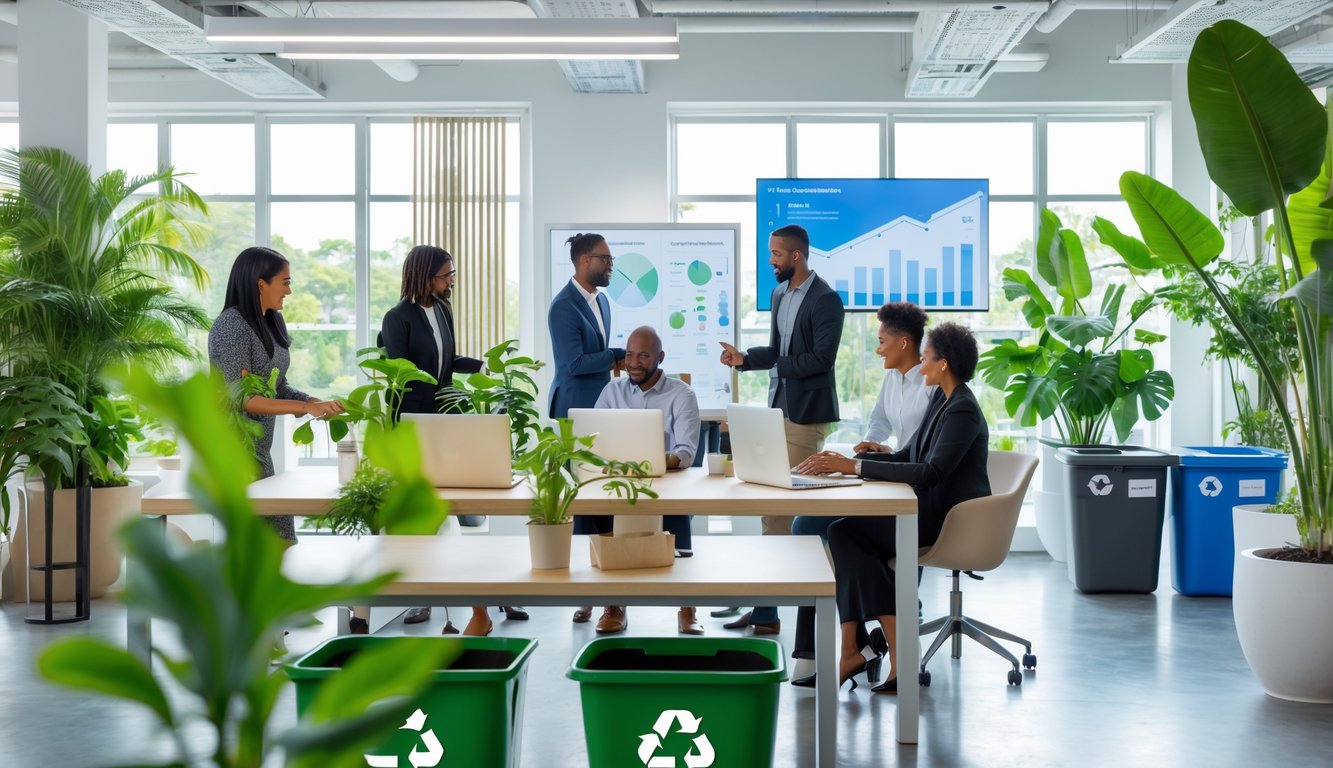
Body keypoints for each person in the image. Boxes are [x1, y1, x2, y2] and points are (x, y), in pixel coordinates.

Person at [796, 322, 990, 694]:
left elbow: (931, 472)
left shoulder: (962, 409)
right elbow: (910, 455)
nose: (921, 363)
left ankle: (870, 651)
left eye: (928, 357)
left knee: (845, 533)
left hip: (946, 520)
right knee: (844, 532)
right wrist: (860, 462)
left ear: (944, 364)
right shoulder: (943, 400)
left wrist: (853, 468)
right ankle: (861, 650)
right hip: (928, 508)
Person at [381, 245, 527, 634]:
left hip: (446, 420)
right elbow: (403, 375)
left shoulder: (442, 310)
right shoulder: (397, 318)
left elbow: (446, 364)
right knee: (425, 516)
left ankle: (482, 593)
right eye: (446, 275)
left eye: (452, 274)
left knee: (459, 506)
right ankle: (422, 598)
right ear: (424, 276)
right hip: (414, 427)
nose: (451, 281)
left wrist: (481, 366)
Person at [788, 301, 934, 685]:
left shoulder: (933, 383)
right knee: (805, 526)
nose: (877, 348)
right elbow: (880, 422)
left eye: (882, 340)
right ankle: (811, 651)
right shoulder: (894, 378)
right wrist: (871, 444)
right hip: (891, 472)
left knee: (845, 532)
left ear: (904, 343)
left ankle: (887, 620)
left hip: (914, 487)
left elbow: (926, 453)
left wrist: (882, 459)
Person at [718, 223, 845, 635]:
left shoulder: (826, 300)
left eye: (775, 254)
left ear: (796, 256)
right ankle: (766, 611)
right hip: (779, 410)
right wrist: (744, 359)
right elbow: (777, 351)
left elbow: (820, 360)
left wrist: (775, 366)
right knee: (771, 511)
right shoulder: (778, 294)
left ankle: (774, 611)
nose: (770, 260)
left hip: (807, 416)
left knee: (778, 513)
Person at [209, 246, 345, 545]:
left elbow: (277, 385)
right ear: (261, 283)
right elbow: (240, 397)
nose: (290, 290)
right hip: (235, 451)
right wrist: (305, 408)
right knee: (260, 546)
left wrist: (315, 403)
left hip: (259, 451)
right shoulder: (231, 325)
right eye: (285, 282)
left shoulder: (271, 322)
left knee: (281, 538)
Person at [592, 326, 703, 635]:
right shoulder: (611, 391)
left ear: (660, 357)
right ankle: (611, 603)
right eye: (629, 354)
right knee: (590, 505)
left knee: (676, 505)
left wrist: (648, 463)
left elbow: (685, 453)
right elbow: (593, 441)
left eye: (643, 355)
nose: (634, 362)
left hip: (664, 481)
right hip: (616, 480)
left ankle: (687, 605)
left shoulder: (681, 394)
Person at [548, 233, 628, 628]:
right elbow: (576, 363)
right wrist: (617, 356)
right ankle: (588, 595)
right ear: (583, 261)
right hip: (575, 411)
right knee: (583, 505)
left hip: (602, 410)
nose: (610, 264)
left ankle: (613, 598)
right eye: (604, 258)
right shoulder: (563, 307)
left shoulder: (604, 302)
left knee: (606, 501)